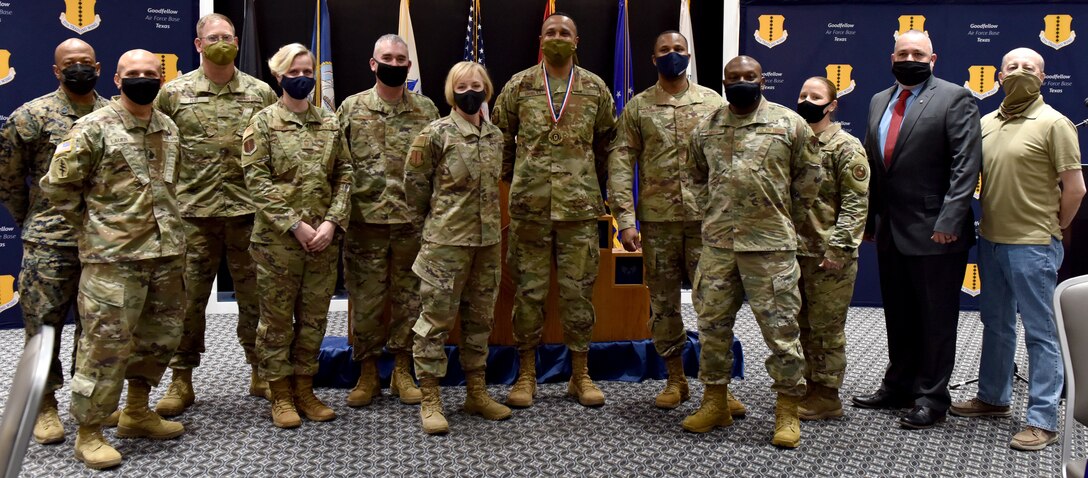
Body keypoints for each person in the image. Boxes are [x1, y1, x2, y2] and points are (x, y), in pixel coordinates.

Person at [41, 49, 186, 470]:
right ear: (118, 80)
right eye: (133, 73)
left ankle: (137, 413)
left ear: (161, 77)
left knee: (157, 340)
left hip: (165, 254)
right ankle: (90, 432)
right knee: (104, 349)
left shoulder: (168, 126)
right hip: (113, 260)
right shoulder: (92, 128)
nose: (143, 78)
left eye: (150, 72)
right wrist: (98, 230)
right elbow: (59, 189)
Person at [950, 48, 1085, 451]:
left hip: (1034, 246)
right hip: (991, 241)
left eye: (1030, 67)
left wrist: (1055, 226)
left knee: (1041, 334)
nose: (1021, 72)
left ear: (1043, 78)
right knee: (996, 323)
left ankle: (1043, 421)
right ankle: (993, 398)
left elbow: (1075, 187)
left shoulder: (1055, 123)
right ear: (999, 75)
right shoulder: (987, 122)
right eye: (1013, 67)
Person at [684, 55, 821, 448]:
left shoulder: (788, 123)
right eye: (734, 77)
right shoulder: (706, 126)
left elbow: (809, 179)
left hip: (770, 247)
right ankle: (715, 402)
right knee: (711, 327)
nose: (741, 81)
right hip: (718, 247)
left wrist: (780, 218)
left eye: (749, 76)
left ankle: (787, 411)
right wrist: (712, 214)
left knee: (781, 333)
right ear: (724, 82)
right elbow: (694, 177)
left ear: (762, 80)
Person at [608, 30, 745, 414]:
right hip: (658, 222)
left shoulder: (713, 102)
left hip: (707, 222)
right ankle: (675, 380)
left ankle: (718, 386)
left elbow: (732, 159)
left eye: (678, 49)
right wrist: (625, 219)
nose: (672, 55)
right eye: (664, 50)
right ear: (653, 59)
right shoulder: (638, 107)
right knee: (664, 303)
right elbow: (621, 163)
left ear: (689, 54)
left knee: (714, 303)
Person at [853, 30, 982, 430]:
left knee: (935, 319)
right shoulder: (878, 100)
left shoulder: (954, 97)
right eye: (903, 52)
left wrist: (949, 220)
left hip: (936, 231)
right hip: (890, 227)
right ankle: (900, 385)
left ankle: (932, 398)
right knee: (900, 313)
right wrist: (872, 218)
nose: (910, 58)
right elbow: (877, 167)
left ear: (933, 58)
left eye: (918, 53)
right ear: (891, 57)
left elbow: (966, 165)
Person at [152, 13, 277, 416]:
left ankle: (260, 372)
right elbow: (155, 147)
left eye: (227, 36)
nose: (220, 41)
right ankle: (181, 380)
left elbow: (275, 148)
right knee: (186, 303)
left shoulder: (260, 94)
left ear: (237, 42)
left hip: (248, 214)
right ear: (198, 44)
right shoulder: (173, 93)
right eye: (213, 37)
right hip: (193, 215)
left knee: (256, 300)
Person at [493, 12, 616, 408]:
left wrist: (589, 185)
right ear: (541, 39)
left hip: (579, 211)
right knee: (528, 294)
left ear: (576, 41)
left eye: (564, 32)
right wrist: (519, 183)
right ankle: (526, 373)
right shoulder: (520, 85)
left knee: (578, 295)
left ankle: (580, 374)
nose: (557, 37)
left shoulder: (595, 88)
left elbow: (606, 146)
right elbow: (501, 143)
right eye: (551, 32)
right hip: (529, 210)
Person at [0, 38, 107, 446]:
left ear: (98, 66)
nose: (78, 68)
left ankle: (89, 405)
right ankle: (44, 405)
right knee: (43, 327)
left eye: (85, 62)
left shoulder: (113, 112)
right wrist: (30, 219)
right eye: (70, 63)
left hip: (102, 241)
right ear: (56, 70)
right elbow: (9, 178)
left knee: (95, 328)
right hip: (50, 240)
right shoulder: (31, 116)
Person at [241, 43, 352, 429]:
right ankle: (281, 395)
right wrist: (295, 224)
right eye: (294, 72)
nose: (302, 77)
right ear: (279, 76)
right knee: (275, 322)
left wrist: (331, 222)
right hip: (278, 245)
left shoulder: (330, 123)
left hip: (322, 241)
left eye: (307, 71)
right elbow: (257, 181)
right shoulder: (262, 123)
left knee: (313, 320)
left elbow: (346, 175)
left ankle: (305, 388)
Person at [404, 61, 512, 434]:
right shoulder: (435, 134)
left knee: (480, 320)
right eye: (463, 85)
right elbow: (414, 190)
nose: (471, 91)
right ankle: (431, 397)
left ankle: (476, 392)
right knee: (434, 323)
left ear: (487, 88)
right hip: (445, 245)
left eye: (477, 84)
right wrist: (432, 231)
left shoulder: (496, 135)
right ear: (451, 91)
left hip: (486, 244)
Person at [337, 34, 439, 407]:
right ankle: (367, 373)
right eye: (387, 58)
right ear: (372, 63)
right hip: (366, 224)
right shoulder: (351, 108)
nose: (394, 64)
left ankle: (401, 369)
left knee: (410, 300)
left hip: (412, 224)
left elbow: (437, 168)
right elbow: (337, 165)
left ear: (409, 66)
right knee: (365, 301)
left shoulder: (426, 110)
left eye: (401, 59)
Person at [792, 76, 869, 421]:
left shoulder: (845, 147)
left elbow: (856, 205)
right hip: (795, 252)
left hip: (828, 255)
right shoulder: (794, 142)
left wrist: (837, 251)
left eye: (816, 95)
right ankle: (809, 386)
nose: (808, 100)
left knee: (826, 328)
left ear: (832, 104)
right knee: (802, 325)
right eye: (803, 93)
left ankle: (827, 395)